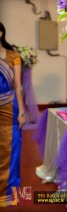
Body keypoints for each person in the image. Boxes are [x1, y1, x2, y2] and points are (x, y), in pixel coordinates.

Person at [0, 21, 25, 207]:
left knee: (13, 150)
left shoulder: (13, 55)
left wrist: (22, 111)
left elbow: (17, 86)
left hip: (10, 108)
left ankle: (9, 194)